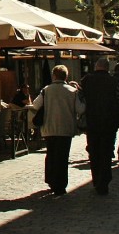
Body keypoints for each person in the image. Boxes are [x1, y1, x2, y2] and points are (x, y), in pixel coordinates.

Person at [31, 65, 81, 196]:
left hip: (49, 128)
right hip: (66, 128)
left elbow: (36, 105)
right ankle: (61, 184)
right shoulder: (72, 91)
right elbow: (80, 109)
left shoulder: (46, 90)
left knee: (51, 154)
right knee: (63, 157)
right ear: (66, 76)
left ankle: (51, 180)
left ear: (54, 76)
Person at [80, 58, 119, 195]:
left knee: (94, 152)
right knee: (106, 153)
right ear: (108, 68)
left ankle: (96, 179)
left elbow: (80, 99)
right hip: (109, 123)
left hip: (92, 122)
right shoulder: (114, 81)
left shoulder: (86, 80)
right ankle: (104, 181)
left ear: (96, 66)